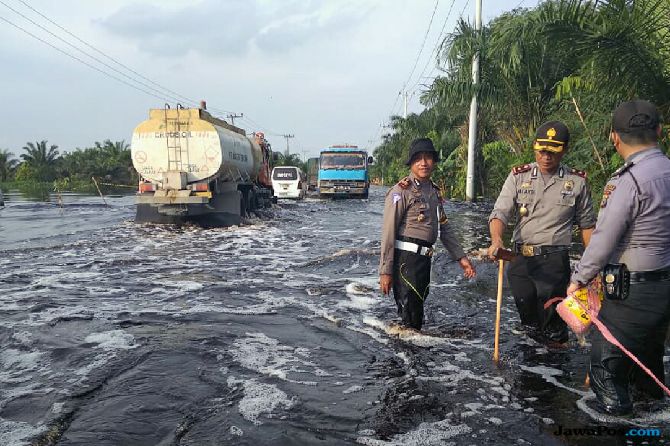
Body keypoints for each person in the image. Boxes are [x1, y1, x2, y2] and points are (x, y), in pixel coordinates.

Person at [567, 100, 670, 415]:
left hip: (631, 293)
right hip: (664, 287)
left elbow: (603, 239)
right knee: (648, 366)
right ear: (659, 131)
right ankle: (654, 428)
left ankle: (618, 431)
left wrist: (579, 280)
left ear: (614, 137)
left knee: (607, 372)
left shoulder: (628, 181)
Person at [487, 121, 596, 344]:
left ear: (564, 150)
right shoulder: (519, 176)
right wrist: (497, 239)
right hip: (519, 261)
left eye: (553, 151)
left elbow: (587, 226)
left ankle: (554, 371)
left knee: (553, 327)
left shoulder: (576, 182)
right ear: (535, 147)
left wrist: (593, 266)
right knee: (528, 324)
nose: (546, 156)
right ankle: (531, 371)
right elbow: (500, 213)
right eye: (542, 150)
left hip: (553, 264)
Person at [379, 138, 476, 331]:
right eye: (418, 159)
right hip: (406, 262)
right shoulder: (401, 192)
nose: (424, 163)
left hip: (424, 262)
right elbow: (388, 232)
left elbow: (445, 229)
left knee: (417, 314)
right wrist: (385, 270)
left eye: (428, 158)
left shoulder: (434, 193)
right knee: (410, 315)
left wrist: (462, 258)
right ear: (411, 163)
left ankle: (415, 355)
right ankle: (406, 356)